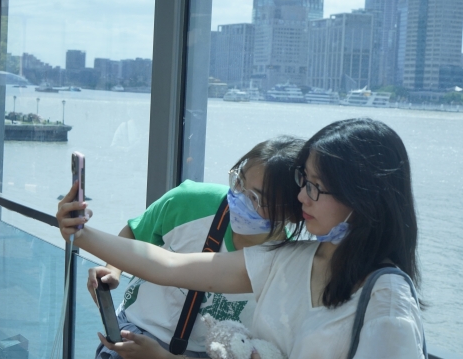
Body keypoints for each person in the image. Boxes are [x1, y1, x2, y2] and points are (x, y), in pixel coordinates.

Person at [56, 118, 425, 359]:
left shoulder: (387, 301)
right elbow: (169, 266)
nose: (301, 197)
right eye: (303, 182)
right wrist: (81, 233)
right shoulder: (288, 259)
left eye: (315, 187)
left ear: (362, 199)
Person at [89, 136, 304, 359]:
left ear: (292, 212)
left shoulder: (287, 266)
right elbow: (134, 232)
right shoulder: (190, 201)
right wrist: (112, 269)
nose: (239, 196)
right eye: (239, 180)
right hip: (140, 330)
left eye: (256, 198)